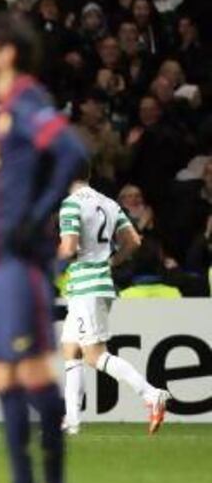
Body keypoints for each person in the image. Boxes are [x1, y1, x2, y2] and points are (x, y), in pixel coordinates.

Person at [0, 12, 85, 483]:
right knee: (0, 372)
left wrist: (35, 218)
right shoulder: (8, 107)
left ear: (6, 52)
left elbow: (72, 150)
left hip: (19, 261)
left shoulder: (29, 100)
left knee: (32, 368)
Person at [58, 165, 171, 436]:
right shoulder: (108, 203)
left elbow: (69, 248)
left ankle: (151, 393)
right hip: (98, 285)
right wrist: (111, 262)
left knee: (95, 355)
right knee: (70, 350)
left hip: (86, 287)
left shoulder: (71, 205)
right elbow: (133, 240)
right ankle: (71, 421)